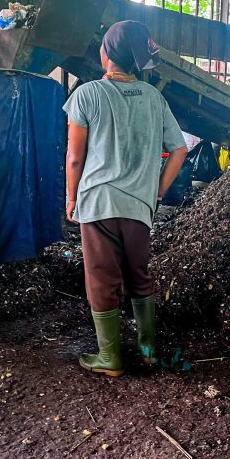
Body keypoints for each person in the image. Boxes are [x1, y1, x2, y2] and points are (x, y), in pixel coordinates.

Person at [63, 20, 188, 377]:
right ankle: (148, 349)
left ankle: (110, 357)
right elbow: (178, 151)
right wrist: (157, 191)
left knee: (102, 279)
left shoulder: (87, 95)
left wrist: (72, 199)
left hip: (98, 202)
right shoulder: (154, 98)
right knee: (138, 274)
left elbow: (75, 158)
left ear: (106, 55)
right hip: (139, 205)